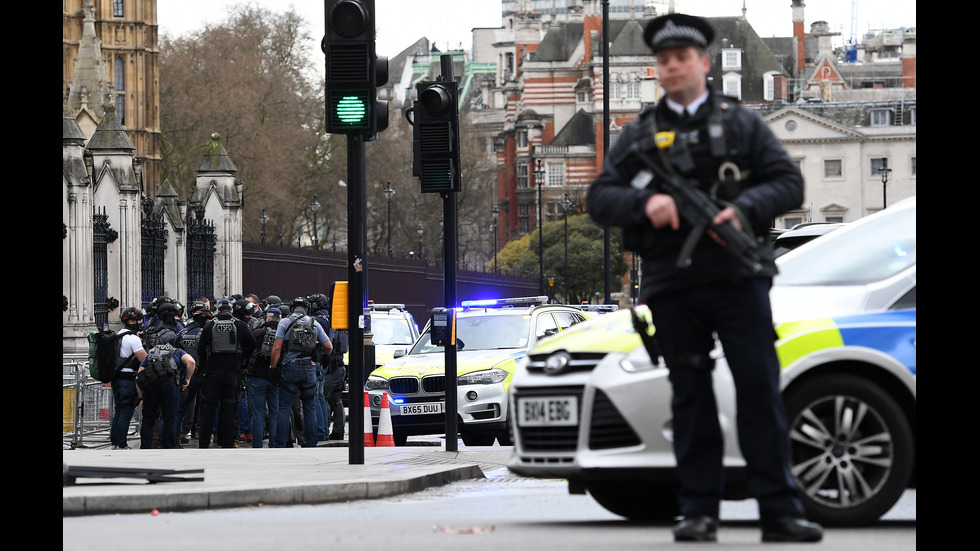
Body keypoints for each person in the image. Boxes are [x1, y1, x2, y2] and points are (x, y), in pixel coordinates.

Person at [586, 13, 822, 543]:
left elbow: (788, 183)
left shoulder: (739, 123)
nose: (672, 68)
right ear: (658, 71)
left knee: (759, 391)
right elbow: (600, 199)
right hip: (673, 283)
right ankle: (698, 510)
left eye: (682, 59)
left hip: (738, 276)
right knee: (689, 397)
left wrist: (741, 211)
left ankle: (779, 511)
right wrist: (650, 203)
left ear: (703, 64)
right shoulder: (639, 134)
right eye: (664, 62)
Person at [270, 296, 332, 448]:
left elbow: (277, 348)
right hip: (309, 368)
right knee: (309, 407)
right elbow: (328, 346)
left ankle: (280, 443)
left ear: (292, 308)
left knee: (284, 408)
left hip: (289, 367)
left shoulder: (285, 322)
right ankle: (311, 443)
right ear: (307, 309)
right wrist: (321, 359)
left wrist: (273, 366)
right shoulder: (315, 323)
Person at [196, 298, 257, 448]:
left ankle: (204, 443)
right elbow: (253, 344)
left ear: (217, 311)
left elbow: (200, 349)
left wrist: (205, 366)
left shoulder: (210, 326)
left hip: (213, 372)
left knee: (209, 408)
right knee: (229, 407)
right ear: (231, 311)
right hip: (232, 372)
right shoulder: (239, 324)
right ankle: (227, 441)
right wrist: (242, 358)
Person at [136, 339, 195, 449]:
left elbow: (139, 376)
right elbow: (191, 362)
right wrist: (187, 379)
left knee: (148, 419)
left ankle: (145, 447)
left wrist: (141, 397)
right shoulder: (178, 352)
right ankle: (169, 446)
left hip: (151, 386)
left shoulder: (151, 353)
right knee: (170, 418)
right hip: (171, 386)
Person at [174, 301, 213, 445]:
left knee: (181, 407)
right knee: (205, 407)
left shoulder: (181, 332)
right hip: (202, 374)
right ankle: (201, 434)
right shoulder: (205, 333)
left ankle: (176, 435)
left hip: (185, 376)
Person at [110, 307, 148, 450]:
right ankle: (122, 443)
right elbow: (144, 358)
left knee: (119, 410)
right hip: (127, 379)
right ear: (131, 321)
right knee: (126, 410)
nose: (140, 322)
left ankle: (114, 442)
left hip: (116, 379)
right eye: (138, 320)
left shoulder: (118, 335)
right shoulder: (133, 338)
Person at [246, 306, 282, 447]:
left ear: (267, 317)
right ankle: (274, 444)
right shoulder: (282, 333)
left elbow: (247, 351)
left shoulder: (257, 332)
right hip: (275, 377)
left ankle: (257, 444)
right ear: (279, 319)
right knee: (275, 412)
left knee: (258, 413)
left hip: (256, 376)